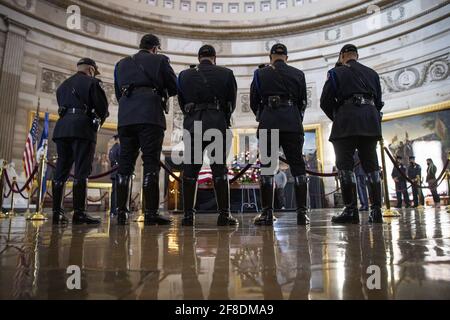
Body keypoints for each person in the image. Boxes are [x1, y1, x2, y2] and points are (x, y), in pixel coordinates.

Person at [114, 34, 177, 225]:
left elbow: (118, 93)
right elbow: (174, 86)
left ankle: (121, 212)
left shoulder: (121, 64)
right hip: (150, 115)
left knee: (125, 165)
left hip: (126, 117)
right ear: (156, 48)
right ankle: (150, 213)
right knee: (150, 163)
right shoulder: (160, 60)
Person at [320, 44, 384, 224]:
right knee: (372, 164)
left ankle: (351, 211)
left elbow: (325, 101)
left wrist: (338, 116)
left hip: (346, 121)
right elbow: (378, 101)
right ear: (357, 55)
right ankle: (376, 211)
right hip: (369, 122)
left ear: (342, 56)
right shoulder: (372, 73)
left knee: (345, 165)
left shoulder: (335, 72)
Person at [177, 44, 238, 226]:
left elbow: (182, 102)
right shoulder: (226, 73)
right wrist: (221, 117)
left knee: (190, 171)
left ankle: (188, 216)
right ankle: (224, 215)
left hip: (193, 124)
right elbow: (231, 102)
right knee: (219, 170)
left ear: (198, 58)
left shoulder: (184, 75)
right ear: (214, 58)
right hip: (217, 123)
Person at [250, 43, 308, 226]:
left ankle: (267, 213)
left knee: (267, 169)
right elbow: (303, 102)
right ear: (287, 58)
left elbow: (254, 101)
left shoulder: (260, 74)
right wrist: (295, 117)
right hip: (292, 123)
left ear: (270, 57)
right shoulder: (298, 74)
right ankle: (302, 214)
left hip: (269, 123)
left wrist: (264, 114)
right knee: (298, 168)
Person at [52, 57, 109, 225]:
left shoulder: (63, 85)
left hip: (62, 129)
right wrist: (97, 122)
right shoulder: (92, 83)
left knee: (61, 171)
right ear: (91, 69)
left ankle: (57, 213)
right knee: (82, 171)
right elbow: (103, 109)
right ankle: (79, 213)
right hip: (82, 129)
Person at [108, 135, 120, 217]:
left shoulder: (112, 148)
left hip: (114, 171)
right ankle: (116, 210)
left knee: (114, 192)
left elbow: (111, 159)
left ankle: (113, 210)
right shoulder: (119, 147)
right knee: (117, 192)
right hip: (118, 171)